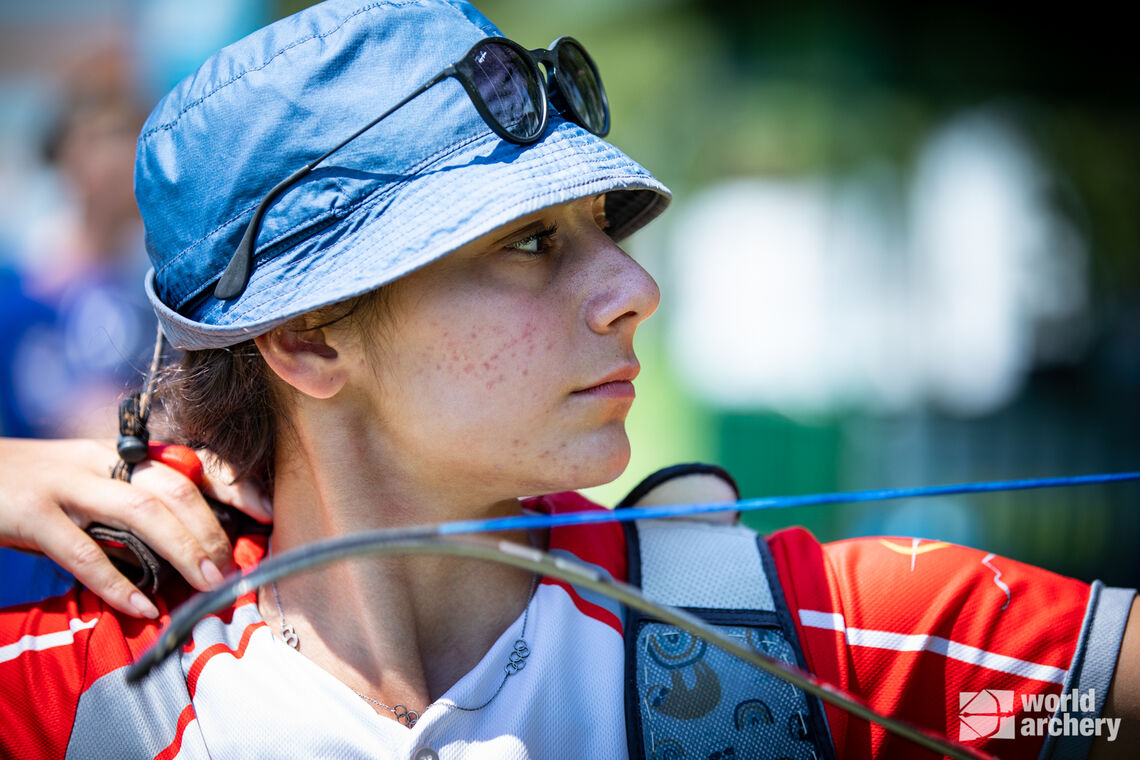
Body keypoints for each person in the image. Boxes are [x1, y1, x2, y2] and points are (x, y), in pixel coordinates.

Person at [0, 1, 1135, 758]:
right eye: (530, 242)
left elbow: (1081, 709)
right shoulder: (79, 694)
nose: (634, 288)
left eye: (604, 228)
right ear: (307, 340)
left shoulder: (792, 637)